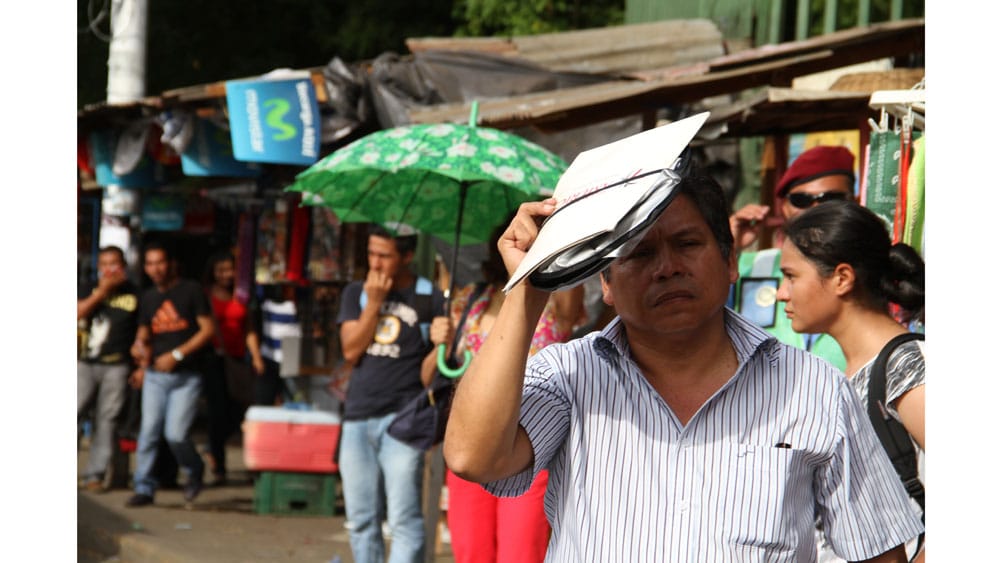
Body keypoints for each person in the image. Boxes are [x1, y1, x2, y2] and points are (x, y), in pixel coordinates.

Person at [444, 173, 923, 561]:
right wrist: (530, 287)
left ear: (730, 261)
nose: (667, 267)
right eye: (641, 252)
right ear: (606, 283)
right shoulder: (570, 376)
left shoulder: (812, 387)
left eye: (688, 243)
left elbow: (877, 552)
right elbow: (471, 456)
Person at [777, 200, 926, 563]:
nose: (781, 292)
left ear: (842, 278)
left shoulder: (908, 366)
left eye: (792, 276)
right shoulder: (832, 378)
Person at [432, 220, 583, 563]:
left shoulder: (554, 299)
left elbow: (572, 304)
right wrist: (437, 344)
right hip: (474, 437)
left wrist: (560, 233)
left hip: (528, 446)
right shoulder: (469, 301)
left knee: (520, 553)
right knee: (471, 551)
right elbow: (438, 369)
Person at [335, 225, 447, 563]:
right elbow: (351, 351)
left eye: (384, 256)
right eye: (371, 253)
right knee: (361, 521)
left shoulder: (430, 298)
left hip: (404, 420)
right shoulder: (357, 293)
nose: (375, 263)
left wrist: (442, 345)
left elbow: (431, 375)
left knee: (403, 519)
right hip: (357, 417)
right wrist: (375, 304)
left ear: (407, 256)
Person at [729, 145, 856, 371]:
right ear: (784, 206)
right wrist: (728, 247)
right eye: (802, 200)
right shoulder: (749, 266)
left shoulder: (865, 270)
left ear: (853, 200)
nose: (816, 209)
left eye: (831, 198)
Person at [126, 241, 215, 508]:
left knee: (175, 434)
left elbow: (208, 330)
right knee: (148, 432)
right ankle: (144, 486)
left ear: (171, 264)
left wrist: (176, 355)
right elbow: (144, 333)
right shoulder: (148, 297)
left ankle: (194, 468)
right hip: (154, 376)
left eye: (160, 262)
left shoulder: (191, 291)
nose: (156, 269)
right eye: (150, 264)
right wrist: (140, 353)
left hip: (186, 377)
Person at [78, 246, 139, 492]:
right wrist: (101, 293)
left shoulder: (135, 293)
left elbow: (142, 329)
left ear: (123, 265)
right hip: (84, 363)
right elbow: (78, 312)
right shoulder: (87, 287)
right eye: (104, 264)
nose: (109, 269)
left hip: (117, 366)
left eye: (114, 264)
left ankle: (95, 474)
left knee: (107, 420)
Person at [201, 251, 252, 485]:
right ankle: (218, 464)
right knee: (217, 411)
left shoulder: (241, 295)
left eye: (230, 269)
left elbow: (249, 327)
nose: (226, 275)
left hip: (238, 360)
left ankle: (213, 448)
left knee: (239, 410)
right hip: (214, 359)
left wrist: (257, 356)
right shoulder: (205, 296)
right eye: (221, 270)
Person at [246, 283, 302, 405]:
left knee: (292, 398)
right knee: (264, 399)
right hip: (268, 356)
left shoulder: (295, 304)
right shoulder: (265, 302)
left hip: (290, 353)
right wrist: (257, 358)